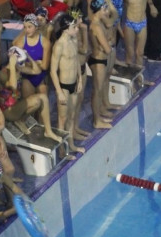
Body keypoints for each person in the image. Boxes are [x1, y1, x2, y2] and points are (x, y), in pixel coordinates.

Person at [0, 46, 65, 143]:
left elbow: (37, 71)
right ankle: (19, 120)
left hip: (17, 106)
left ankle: (47, 131)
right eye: (20, 62)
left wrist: (28, 56)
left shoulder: (18, 68)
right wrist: (12, 65)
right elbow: (13, 86)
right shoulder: (3, 73)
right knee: (39, 98)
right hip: (8, 111)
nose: (22, 64)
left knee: (42, 98)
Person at [50, 14, 86, 154]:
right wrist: (59, 92)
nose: (77, 29)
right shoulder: (59, 46)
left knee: (71, 117)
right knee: (62, 119)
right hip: (63, 86)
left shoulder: (73, 40)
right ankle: (61, 150)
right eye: (74, 27)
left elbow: (76, 61)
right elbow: (53, 71)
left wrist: (80, 79)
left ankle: (71, 145)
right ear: (66, 29)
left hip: (74, 84)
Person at [12, 14, 52, 99]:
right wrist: (38, 63)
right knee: (30, 103)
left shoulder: (45, 42)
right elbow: (17, 64)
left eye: (30, 27)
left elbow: (45, 66)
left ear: (36, 27)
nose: (27, 30)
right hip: (27, 77)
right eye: (25, 27)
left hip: (41, 77)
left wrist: (27, 63)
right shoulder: (20, 42)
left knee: (43, 101)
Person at [88, 0, 114, 129]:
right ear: (99, 10)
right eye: (104, 9)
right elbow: (107, 49)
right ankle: (96, 120)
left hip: (100, 59)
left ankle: (99, 116)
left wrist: (107, 43)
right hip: (98, 61)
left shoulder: (98, 23)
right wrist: (108, 43)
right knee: (97, 91)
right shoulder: (96, 26)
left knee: (98, 89)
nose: (106, 12)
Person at [70, 8, 91, 141]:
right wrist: (85, 31)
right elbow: (84, 50)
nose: (82, 21)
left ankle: (76, 127)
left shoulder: (78, 32)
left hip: (82, 68)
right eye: (79, 18)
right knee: (74, 103)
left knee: (80, 99)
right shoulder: (72, 35)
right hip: (75, 72)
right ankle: (71, 131)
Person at [123, 0, 153, 68]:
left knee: (140, 53)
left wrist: (152, 6)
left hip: (142, 23)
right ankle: (128, 71)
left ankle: (139, 72)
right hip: (129, 23)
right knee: (130, 53)